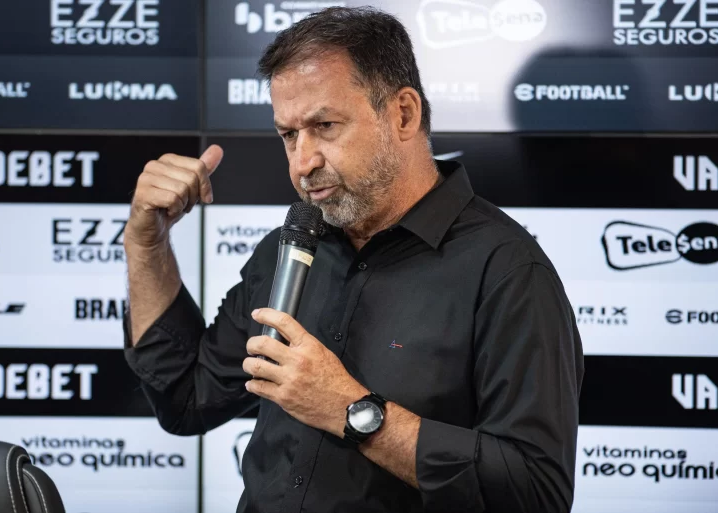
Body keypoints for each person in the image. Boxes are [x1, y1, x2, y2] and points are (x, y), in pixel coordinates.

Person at [122, 6, 584, 513]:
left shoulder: (508, 272)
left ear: (403, 114)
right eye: (288, 135)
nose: (303, 163)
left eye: (324, 125)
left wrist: (351, 410)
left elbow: (537, 493)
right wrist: (146, 246)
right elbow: (186, 399)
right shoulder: (292, 248)